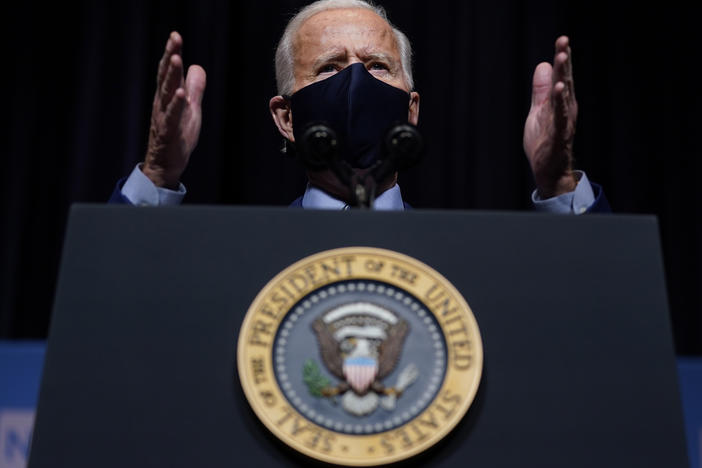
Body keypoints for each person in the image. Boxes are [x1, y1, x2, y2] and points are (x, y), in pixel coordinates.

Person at [109, 0, 609, 213]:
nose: (355, 82)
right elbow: (113, 302)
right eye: (329, 68)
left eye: (377, 66)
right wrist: (157, 171)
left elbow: (599, 315)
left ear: (411, 110)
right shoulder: (234, 252)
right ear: (285, 117)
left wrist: (559, 183)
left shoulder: (468, 253)